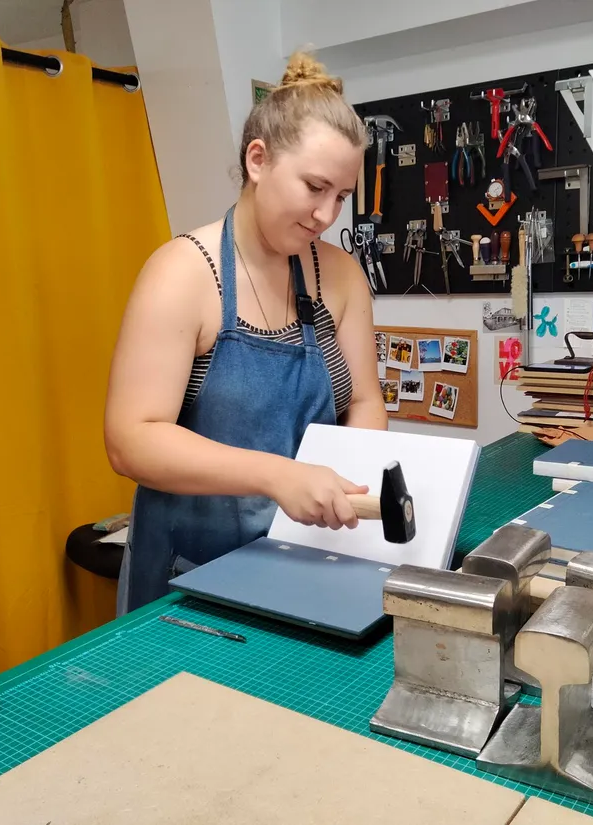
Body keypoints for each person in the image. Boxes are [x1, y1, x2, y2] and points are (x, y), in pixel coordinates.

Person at [104, 50, 388, 615]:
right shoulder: (182, 273)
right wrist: (279, 476)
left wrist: (347, 491)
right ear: (258, 160)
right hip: (187, 579)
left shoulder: (341, 277)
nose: (327, 214)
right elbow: (129, 439)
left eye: (341, 196)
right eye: (314, 187)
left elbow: (363, 401)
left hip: (306, 559)